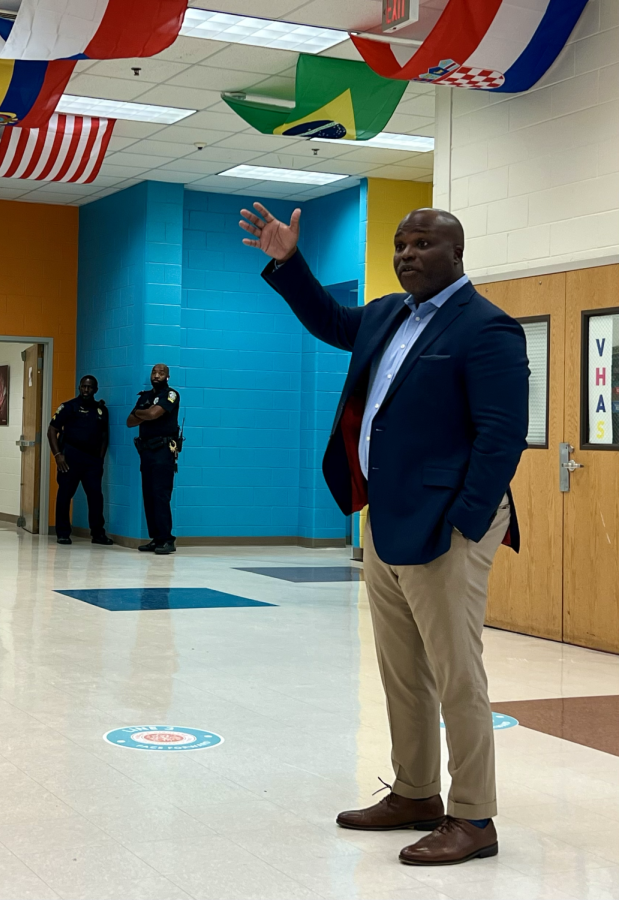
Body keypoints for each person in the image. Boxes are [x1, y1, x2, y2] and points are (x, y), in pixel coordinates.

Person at [242, 202, 528, 866]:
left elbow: (501, 437)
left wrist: (464, 520)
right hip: (386, 516)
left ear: (456, 254)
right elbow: (328, 321)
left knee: (457, 672)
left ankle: (473, 817)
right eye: (401, 244)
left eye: (422, 244)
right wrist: (289, 263)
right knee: (402, 669)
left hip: (450, 526)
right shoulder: (385, 314)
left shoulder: (487, 329)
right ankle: (416, 793)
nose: (406, 254)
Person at [48, 375, 113, 546]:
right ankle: (62, 533)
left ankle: (98, 534)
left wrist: (100, 459)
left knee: (96, 498)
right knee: (64, 495)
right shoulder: (69, 407)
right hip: (70, 457)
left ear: (95, 390)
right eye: (83, 386)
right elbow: (52, 431)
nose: (86, 390)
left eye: (90, 387)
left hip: (92, 460)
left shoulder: (101, 410)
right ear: (79, 387)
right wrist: (58, 455)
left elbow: (105, 436)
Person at [126, 364, 181, 555]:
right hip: (146, 451)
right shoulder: (145, 396)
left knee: (160, 495)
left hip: (163, 451)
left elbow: (152, 414)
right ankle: (156, 538)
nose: (156, 375)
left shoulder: (171, 394)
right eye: (154, 372)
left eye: (161, 373)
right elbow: (129, 421)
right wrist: (145, 414)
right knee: (148, 496)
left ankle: (167, 539)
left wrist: (143, 413)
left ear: (167, 376)